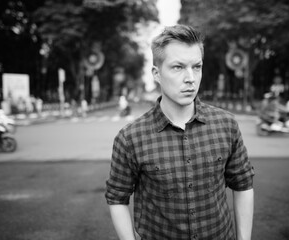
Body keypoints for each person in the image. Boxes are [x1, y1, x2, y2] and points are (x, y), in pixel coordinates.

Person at [105, 25, 254, 240]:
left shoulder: (226, 124)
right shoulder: (130, 137)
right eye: (178, 67)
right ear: (157, 73)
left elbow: (243, 184)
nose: (190, 78)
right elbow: (117, 197)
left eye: (197, 66)